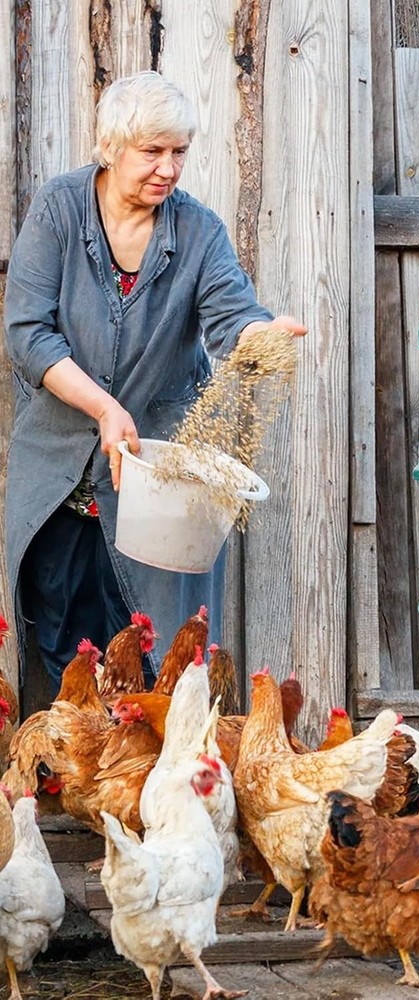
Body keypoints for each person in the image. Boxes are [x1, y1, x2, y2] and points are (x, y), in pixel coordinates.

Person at [3, 71, 305, 695]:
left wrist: (260, 336)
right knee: (63, 657)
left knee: (156, 661)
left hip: (156, 490)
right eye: (153, 151)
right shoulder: (59, 211)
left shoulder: (197, 232)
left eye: (180, 152)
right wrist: (104, 407)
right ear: (112, 147)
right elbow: (28, 333)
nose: (169, 168)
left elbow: (230, 315)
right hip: (60, 478)